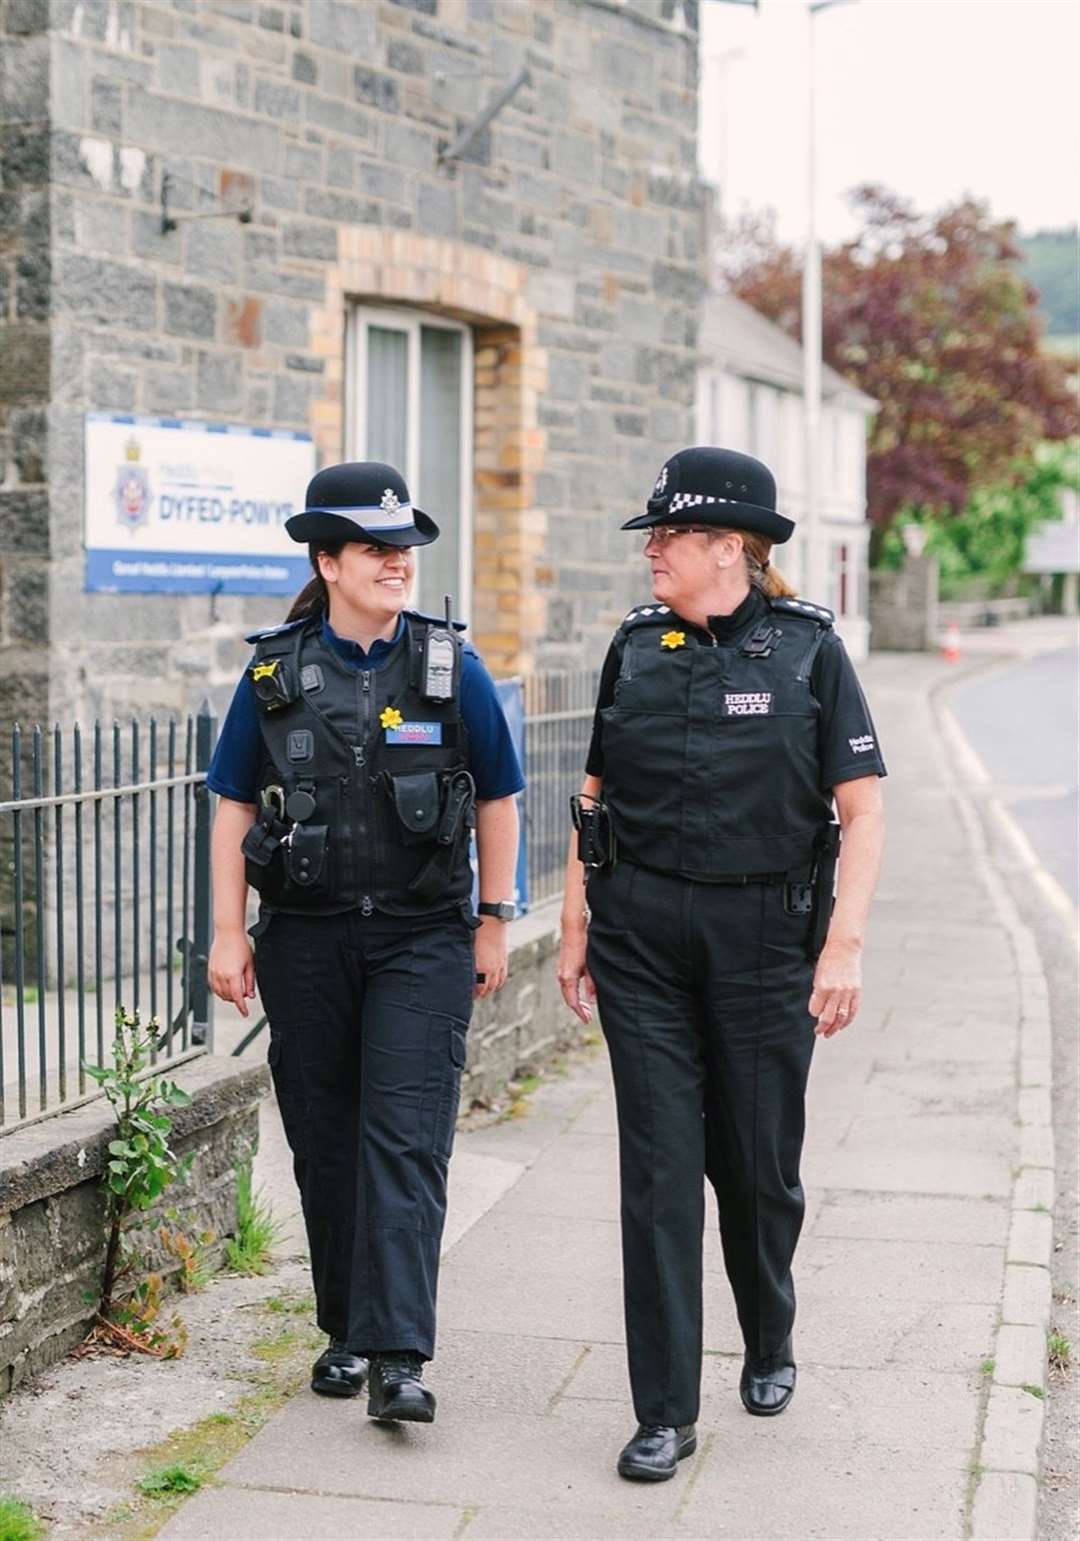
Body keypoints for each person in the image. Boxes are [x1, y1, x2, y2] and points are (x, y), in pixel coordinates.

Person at [558, 446, 886, 1482]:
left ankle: (770, 1331)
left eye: (668, 536)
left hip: (763, 946)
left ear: (730, 547)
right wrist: (574, 927)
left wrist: (843, 946)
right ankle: (665, 1410)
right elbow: (593, 795)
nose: (651, 552)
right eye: (653, 536)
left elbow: (864, 809)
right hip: (643, 938)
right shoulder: (634, 651)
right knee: (657, 1174)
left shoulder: (809, 655)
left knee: (755, 1170)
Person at [207, 461, 523, 1426]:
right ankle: (344, 1329)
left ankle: (398, 1356)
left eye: (404, 549)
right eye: (377, 549)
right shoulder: (273, 671)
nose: (397, 564)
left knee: (404, 1135)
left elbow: (502, 794)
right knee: (324, 1136)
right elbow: (227, 802)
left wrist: (496, 916)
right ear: (329, 560)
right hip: (305, 938)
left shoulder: (447, 664)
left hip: (424, 936)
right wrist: (227, 932)